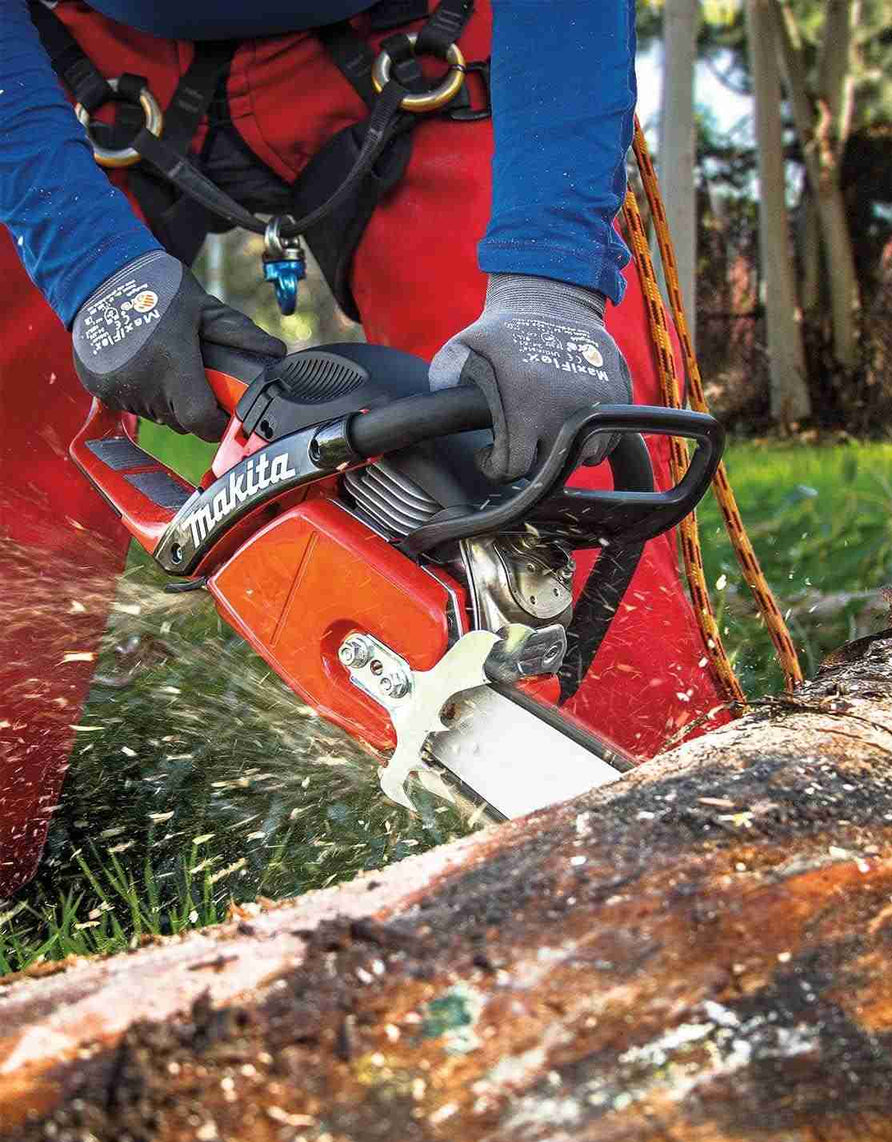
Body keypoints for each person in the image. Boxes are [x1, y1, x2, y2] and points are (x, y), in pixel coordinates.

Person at [0, 0, 728, 897]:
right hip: (54, 56)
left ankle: (675, 852)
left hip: (423, 29)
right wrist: (87, 264)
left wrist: (551, 279)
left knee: (552, 442)